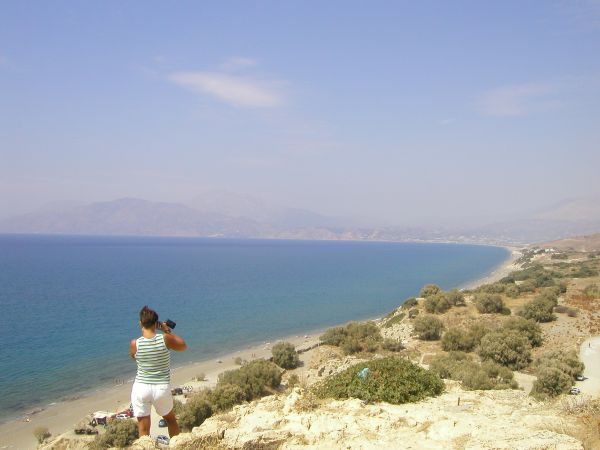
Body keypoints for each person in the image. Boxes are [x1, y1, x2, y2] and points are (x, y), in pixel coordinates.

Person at [129, 305, 187, 438]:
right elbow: (183, 346)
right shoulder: (165, 339)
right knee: (171, 420)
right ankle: (176, 446)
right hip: (161, 387)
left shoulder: (135, 343)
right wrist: (167, 331)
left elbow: (133, 357)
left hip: (141, 387)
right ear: (156, 323)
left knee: (143, 428)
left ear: (140, 323)